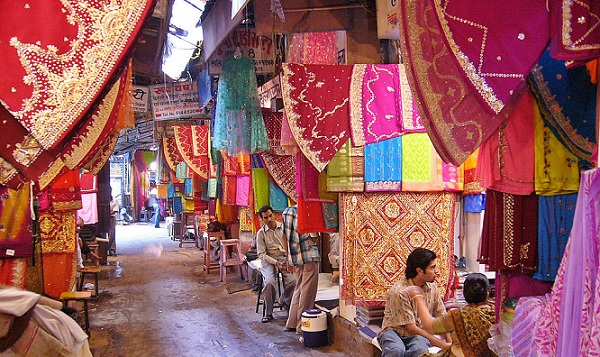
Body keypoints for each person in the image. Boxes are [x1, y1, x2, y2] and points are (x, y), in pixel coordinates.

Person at [378, 248, 451, 357]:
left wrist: (450, 343)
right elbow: (411, 328)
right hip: (394, 331)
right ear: (420, 271)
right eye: (432, 268)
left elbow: (441, 316)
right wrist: (441, 344)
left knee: (420, 350)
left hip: (418, 333)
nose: (437, 271)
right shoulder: (399, 292)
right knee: (396, 351)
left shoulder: (432, 288)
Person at [405, 273, 496, 357]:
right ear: (487, 295)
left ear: (464, 295)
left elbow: (430, 326)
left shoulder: (457, 316)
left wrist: (417, 298)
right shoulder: (495, 315)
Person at [282, 205, 321, 334]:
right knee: (307, 292)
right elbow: (314, 236)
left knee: (299, 288)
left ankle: (291, 322)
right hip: (309, 254)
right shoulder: (308, 211)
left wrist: (288, 257)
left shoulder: (287, 212)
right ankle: (301, 326)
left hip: (295, 256)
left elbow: (284, 237)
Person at [255, 206, 296, 323]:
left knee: (293, 280)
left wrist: (288, 260)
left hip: (283, 258)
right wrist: (275, 262)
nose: (269, 219)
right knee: (269, 282)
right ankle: (268, 312)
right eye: (265, 218)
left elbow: (289, 245)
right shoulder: (261, 234)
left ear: (274, 215)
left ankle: (284, 300)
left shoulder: (283, 228)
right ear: (262, 219)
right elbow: (262, 254)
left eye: (270, 216)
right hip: (268, 260)